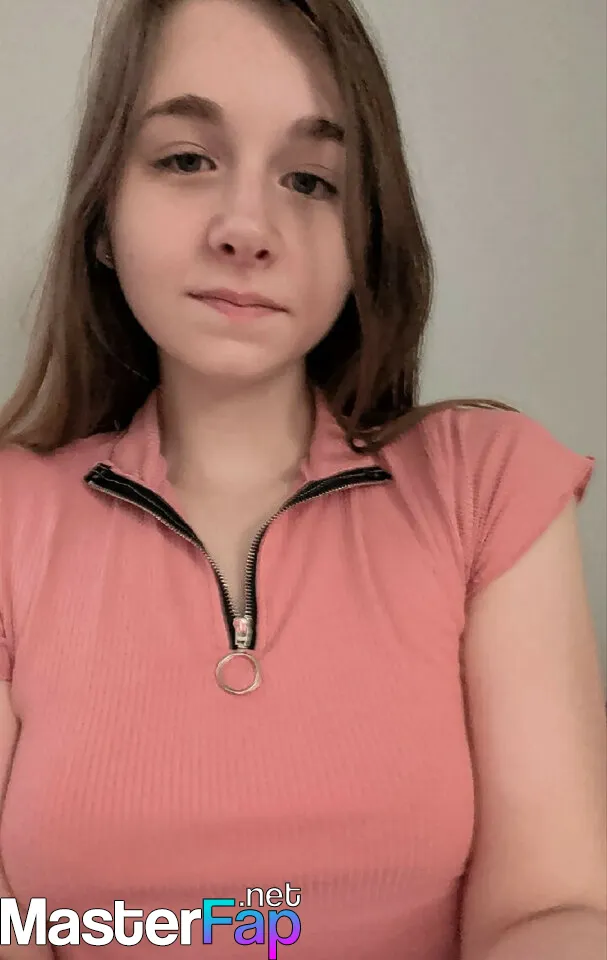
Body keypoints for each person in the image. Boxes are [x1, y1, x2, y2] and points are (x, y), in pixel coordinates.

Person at [0, 0, 605, 957]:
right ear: (102, 218)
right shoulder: (10, 516)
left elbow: (553, 909)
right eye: (186, 160)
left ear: (366, 238)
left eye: (311, 179)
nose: (248, 227)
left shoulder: (484, 486)